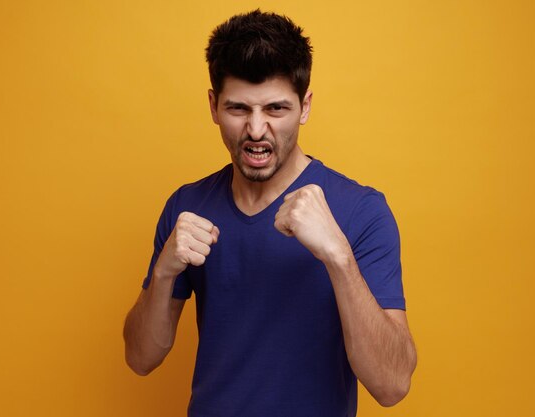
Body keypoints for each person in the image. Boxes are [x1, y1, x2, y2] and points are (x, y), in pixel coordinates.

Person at [123, 9, 417, 416]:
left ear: (305, 106)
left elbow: (392, 385)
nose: (256, 129)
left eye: (276, 109)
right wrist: (163, 272)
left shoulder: (361, 211)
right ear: (213, 105)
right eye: (239, 109)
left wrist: (338, 255)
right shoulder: (187, 207)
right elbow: (141, 358)